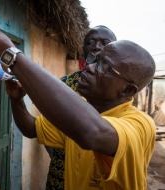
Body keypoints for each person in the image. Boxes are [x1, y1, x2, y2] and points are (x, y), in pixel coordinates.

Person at [0, 23, 156, 190]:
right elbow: (31, 129)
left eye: (103, 65)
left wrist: (9, 52)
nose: (88, 67)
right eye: (94, 60)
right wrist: (16, 100)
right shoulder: (81, 109)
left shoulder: (140, 125)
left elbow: (93, 132)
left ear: (127, 90)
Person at [46, 25, 117, 190]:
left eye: (104, 42)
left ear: (115, 49)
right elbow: (48, 123)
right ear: (83, 49)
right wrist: (59, 155)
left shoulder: (120, 87)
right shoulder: (63, 84)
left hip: (102, 170)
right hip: (62, 169)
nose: (97, 46)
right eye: (90, 42)